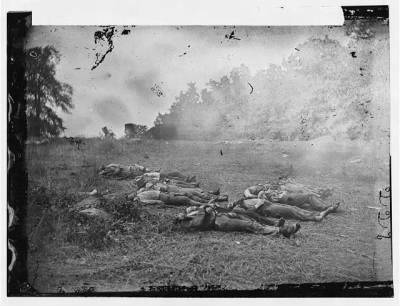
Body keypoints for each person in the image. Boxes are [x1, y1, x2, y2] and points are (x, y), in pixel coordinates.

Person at [174, 205, 301, 238]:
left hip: (221, 216)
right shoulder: (187, 223)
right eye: (180, 215)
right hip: (219, 223)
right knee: (247, 225)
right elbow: (199, 223)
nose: (182, 213)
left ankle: (273, 226)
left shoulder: (189, 214)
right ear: (179, 220)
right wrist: (204, 210)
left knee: (247, 218)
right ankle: (282, 231)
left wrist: (207, 208)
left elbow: (203, 210)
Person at [244, 180, 336, 212]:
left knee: (306, 194)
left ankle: (321, 201)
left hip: (288, 195)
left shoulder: (270, 187)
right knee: (309, 196)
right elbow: (247, 191)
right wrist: (251, 196)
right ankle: (323, 207)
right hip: (285, 198)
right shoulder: (261, 191)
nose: (262, 185)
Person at [230, 198, 340, 222]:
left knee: (293, 208)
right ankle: (316, 217)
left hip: (270, 207)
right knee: (292, 211)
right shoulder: (244, 206)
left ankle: (317, 214)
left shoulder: (247, 202)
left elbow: (261, 201)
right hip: (270, 209)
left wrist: (253, 209)